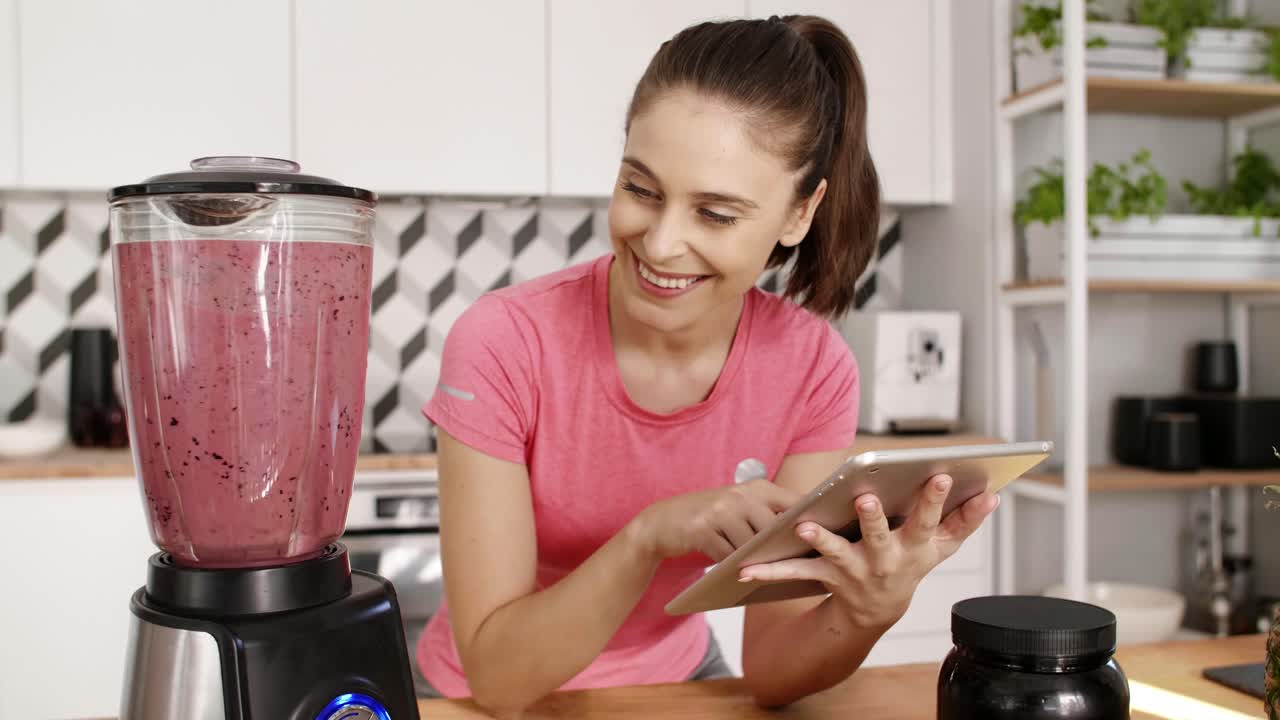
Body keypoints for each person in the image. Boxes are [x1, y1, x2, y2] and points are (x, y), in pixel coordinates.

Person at [414, 13, 999, 716]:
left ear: (798, 213)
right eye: (640, 189)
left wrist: (872, 607)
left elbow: (774, 675)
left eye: (715, 215)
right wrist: (648, 538)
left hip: (680, 683)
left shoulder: (814, 371)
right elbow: (501, 678)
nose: (660, 244)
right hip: (477, 695)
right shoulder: (503, 341)